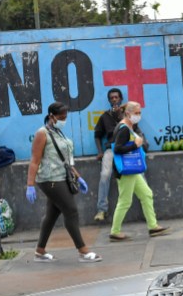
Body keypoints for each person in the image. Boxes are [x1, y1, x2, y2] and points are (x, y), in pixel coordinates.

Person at [26, 102, 102, 263]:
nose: (64, 120)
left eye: (65, 117)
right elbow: (34, 161)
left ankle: (40, 252)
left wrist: (78, 177)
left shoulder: (58, 132)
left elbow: (66, 161)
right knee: (71, 210)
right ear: (52, 116)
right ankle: (83, 251)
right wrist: (30, 185)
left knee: (52, 215)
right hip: (50, 179)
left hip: (62, 177)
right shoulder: (42, 133)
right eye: (61, 117)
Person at [108, 101, 169, 241]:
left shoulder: (128, 127)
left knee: (147, 194)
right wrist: (135, 145)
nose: (139, 115)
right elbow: (117, 149)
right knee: (125, 201)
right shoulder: (123, 128)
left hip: (132, 169)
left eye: (139, 112)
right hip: (126, 171)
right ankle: (115, 231)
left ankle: (153, 226)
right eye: (136, 113)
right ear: (128, 114)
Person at [93, 88, 124, 222]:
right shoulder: (105, 116)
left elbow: (134, 129)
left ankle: (148, 207)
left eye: (116, 97)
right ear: (109, 100)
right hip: (111, 149)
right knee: (105, 175)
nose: (114, 100)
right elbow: (97, 135)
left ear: (121, 99)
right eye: (111, 98)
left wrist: (120, 116)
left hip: (126, 149)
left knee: (139, 174)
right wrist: (100, 151)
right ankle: (101, 210)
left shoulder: (128, 114)